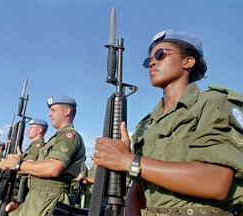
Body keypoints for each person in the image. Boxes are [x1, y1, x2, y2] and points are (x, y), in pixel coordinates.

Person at [94, 29, 243, 215]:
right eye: (149, 60)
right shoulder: (147, 124)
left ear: (188, 61)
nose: (152, 62)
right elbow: (138, 190)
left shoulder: (213, 104)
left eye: (160, 54)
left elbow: (216, 182)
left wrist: (130, 161)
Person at [0, 95, 86, 216]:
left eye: (53, 110)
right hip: (37, 196)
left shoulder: (69, 136)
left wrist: (18, 164)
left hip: (49, 199)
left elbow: (53, 168)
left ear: (67, 111)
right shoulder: (56, 138)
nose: (49, 114)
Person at [5, 118, 49, 213]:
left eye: (31, 127)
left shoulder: (37, 146)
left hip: (24, 188)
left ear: (39, 130)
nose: (28, 130)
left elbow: (27, 168)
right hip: (21, 186)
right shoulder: (33, 146)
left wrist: (15, 163)